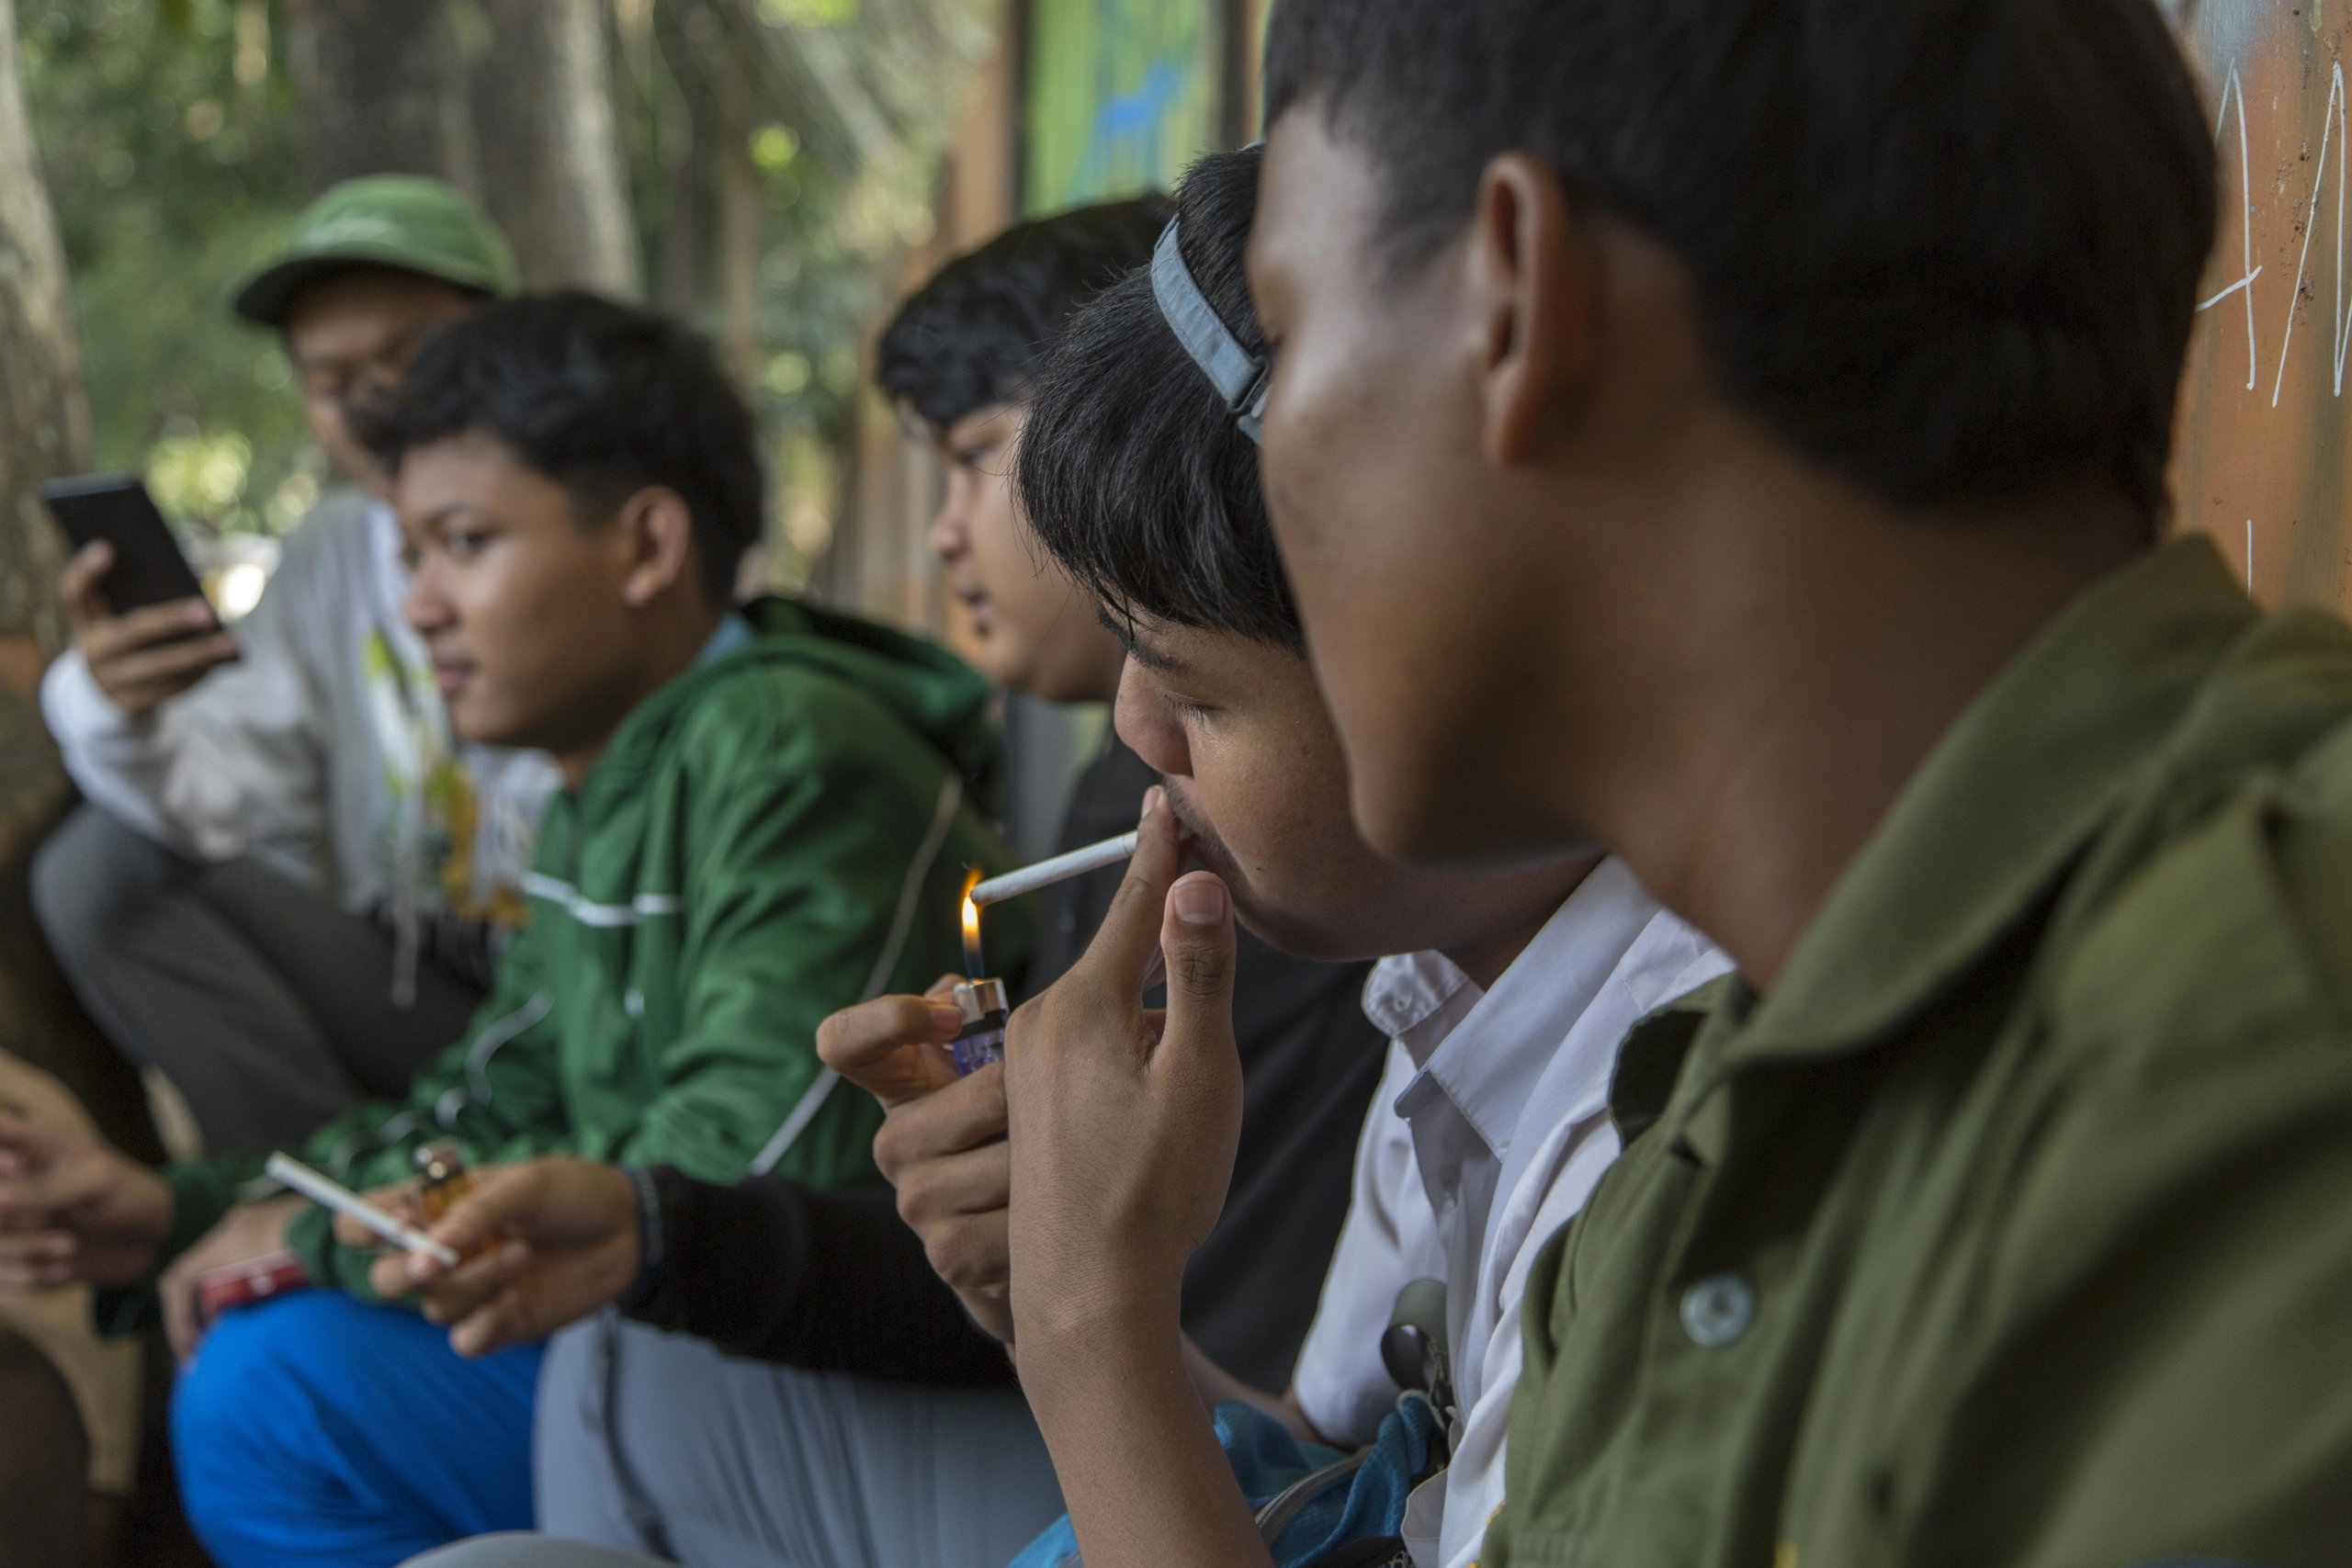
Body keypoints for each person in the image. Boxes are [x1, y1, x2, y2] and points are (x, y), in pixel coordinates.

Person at [1000, 1, 2352, 1566]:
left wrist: (1093, 1325)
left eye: (1293, 325)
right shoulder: (1709, 1123)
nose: (1142, 716)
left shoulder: (2253, 1062)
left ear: (1520, 304)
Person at [352, 197, 1395, 1568]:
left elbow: (1290, 1430)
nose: (950, 532)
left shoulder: (1359, 900)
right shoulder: (1133, 800)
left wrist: (1070, 1290)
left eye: (972, 457)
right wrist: (1014, 1251)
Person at [0, 291, 1026, 1568]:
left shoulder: (790, 748)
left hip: (825, 1373)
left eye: (461, 542)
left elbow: (744, 1183)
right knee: (268, 1358)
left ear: (646, 544)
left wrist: (308, 1238)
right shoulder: (609, 785)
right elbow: (492, 1099)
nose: (419, 604)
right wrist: (183, 1207)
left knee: (275, 1390)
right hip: (684, 1333)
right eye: (409, 553)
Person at [35, 175, 562, 1158]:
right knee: (100, 869)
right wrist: (108, 706)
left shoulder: (588, 516)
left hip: (588, 1007)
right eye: (327, 380)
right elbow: (231, 800)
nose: (371, 404)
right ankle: (337, 1206)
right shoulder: (331, 552)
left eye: (408, 356)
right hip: (424, 994)